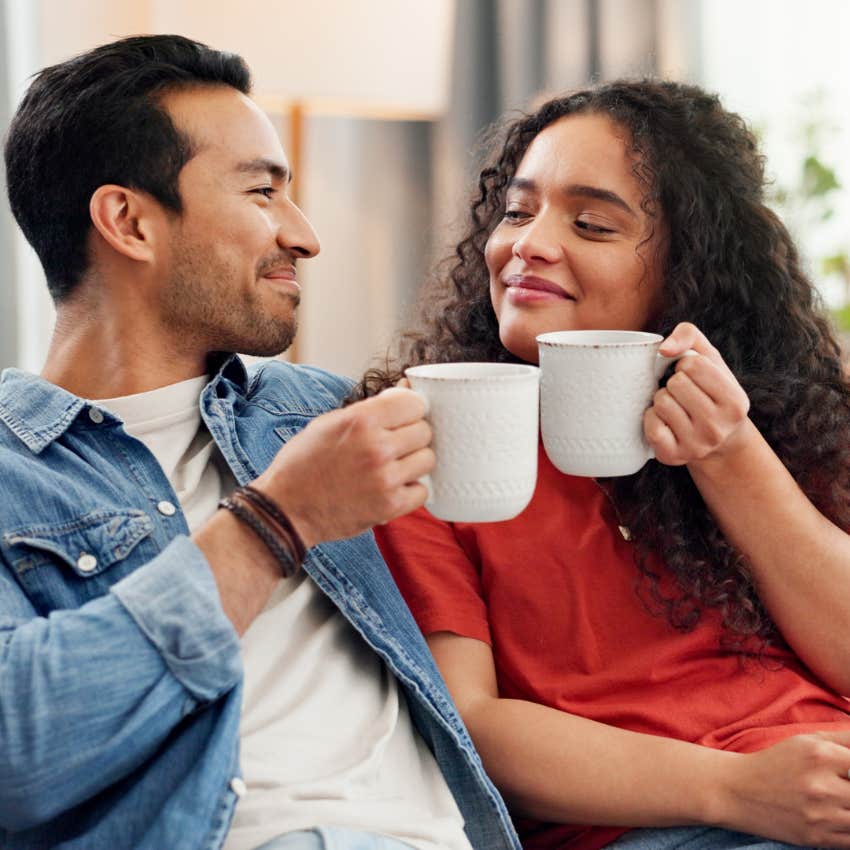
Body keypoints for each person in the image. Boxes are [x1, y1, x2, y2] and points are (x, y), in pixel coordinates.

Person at [0, 35, 520, 850]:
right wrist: (277, 521)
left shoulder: (322, 413)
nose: (305, 235)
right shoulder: (12, 477)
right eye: (262, 194)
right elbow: (18, 755)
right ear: (129, 221)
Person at [362, 80, 850, 850]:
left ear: (689, 270)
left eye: (589, 223)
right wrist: (738, 791)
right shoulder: (426, 435)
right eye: (516, 211)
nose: (528, 243)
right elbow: (473, 725)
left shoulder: (775, 414)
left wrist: (729, 452)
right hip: (671, 823)